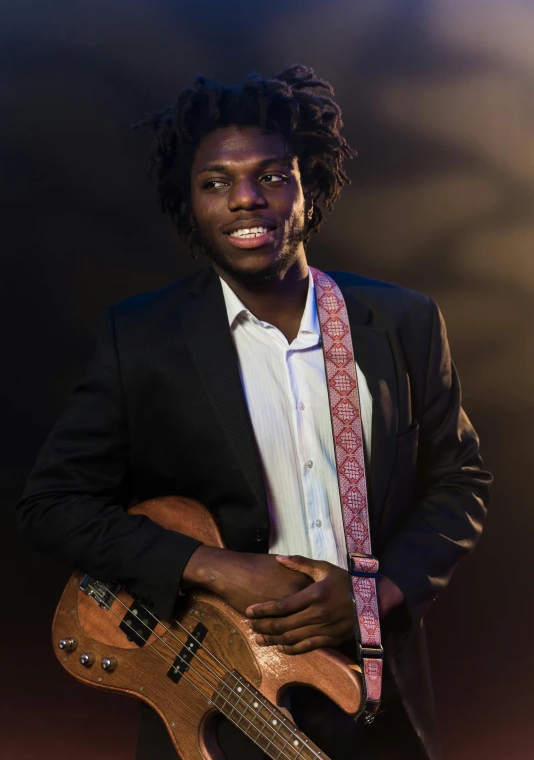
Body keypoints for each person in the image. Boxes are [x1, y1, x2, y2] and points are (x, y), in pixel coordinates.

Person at [17, 65, 492, 760]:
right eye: (216, 182)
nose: (246, 199)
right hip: (215, 693)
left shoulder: (401, 322)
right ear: (189, 201)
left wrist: (375, 592)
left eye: (272, 175)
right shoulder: (142, 338)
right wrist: (213, 565)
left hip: (376, 698)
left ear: (311, 182)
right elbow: (52, 504)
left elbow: (460, 482)